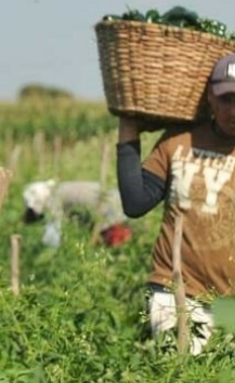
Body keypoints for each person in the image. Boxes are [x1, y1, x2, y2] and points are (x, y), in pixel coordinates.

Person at [116, 50, 235, 355]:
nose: (234, 109)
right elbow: (135, 202)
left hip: (230, 304)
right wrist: (128, 131)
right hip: (174, 291)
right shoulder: (178, 141)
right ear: (210, 96)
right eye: (227, 99)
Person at [22, 179, 131, 248]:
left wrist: (44, 252)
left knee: (113, 245)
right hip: (118, 201)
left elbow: (53, 234)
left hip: (110, 210)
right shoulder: (59, 189)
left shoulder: (53, 198)